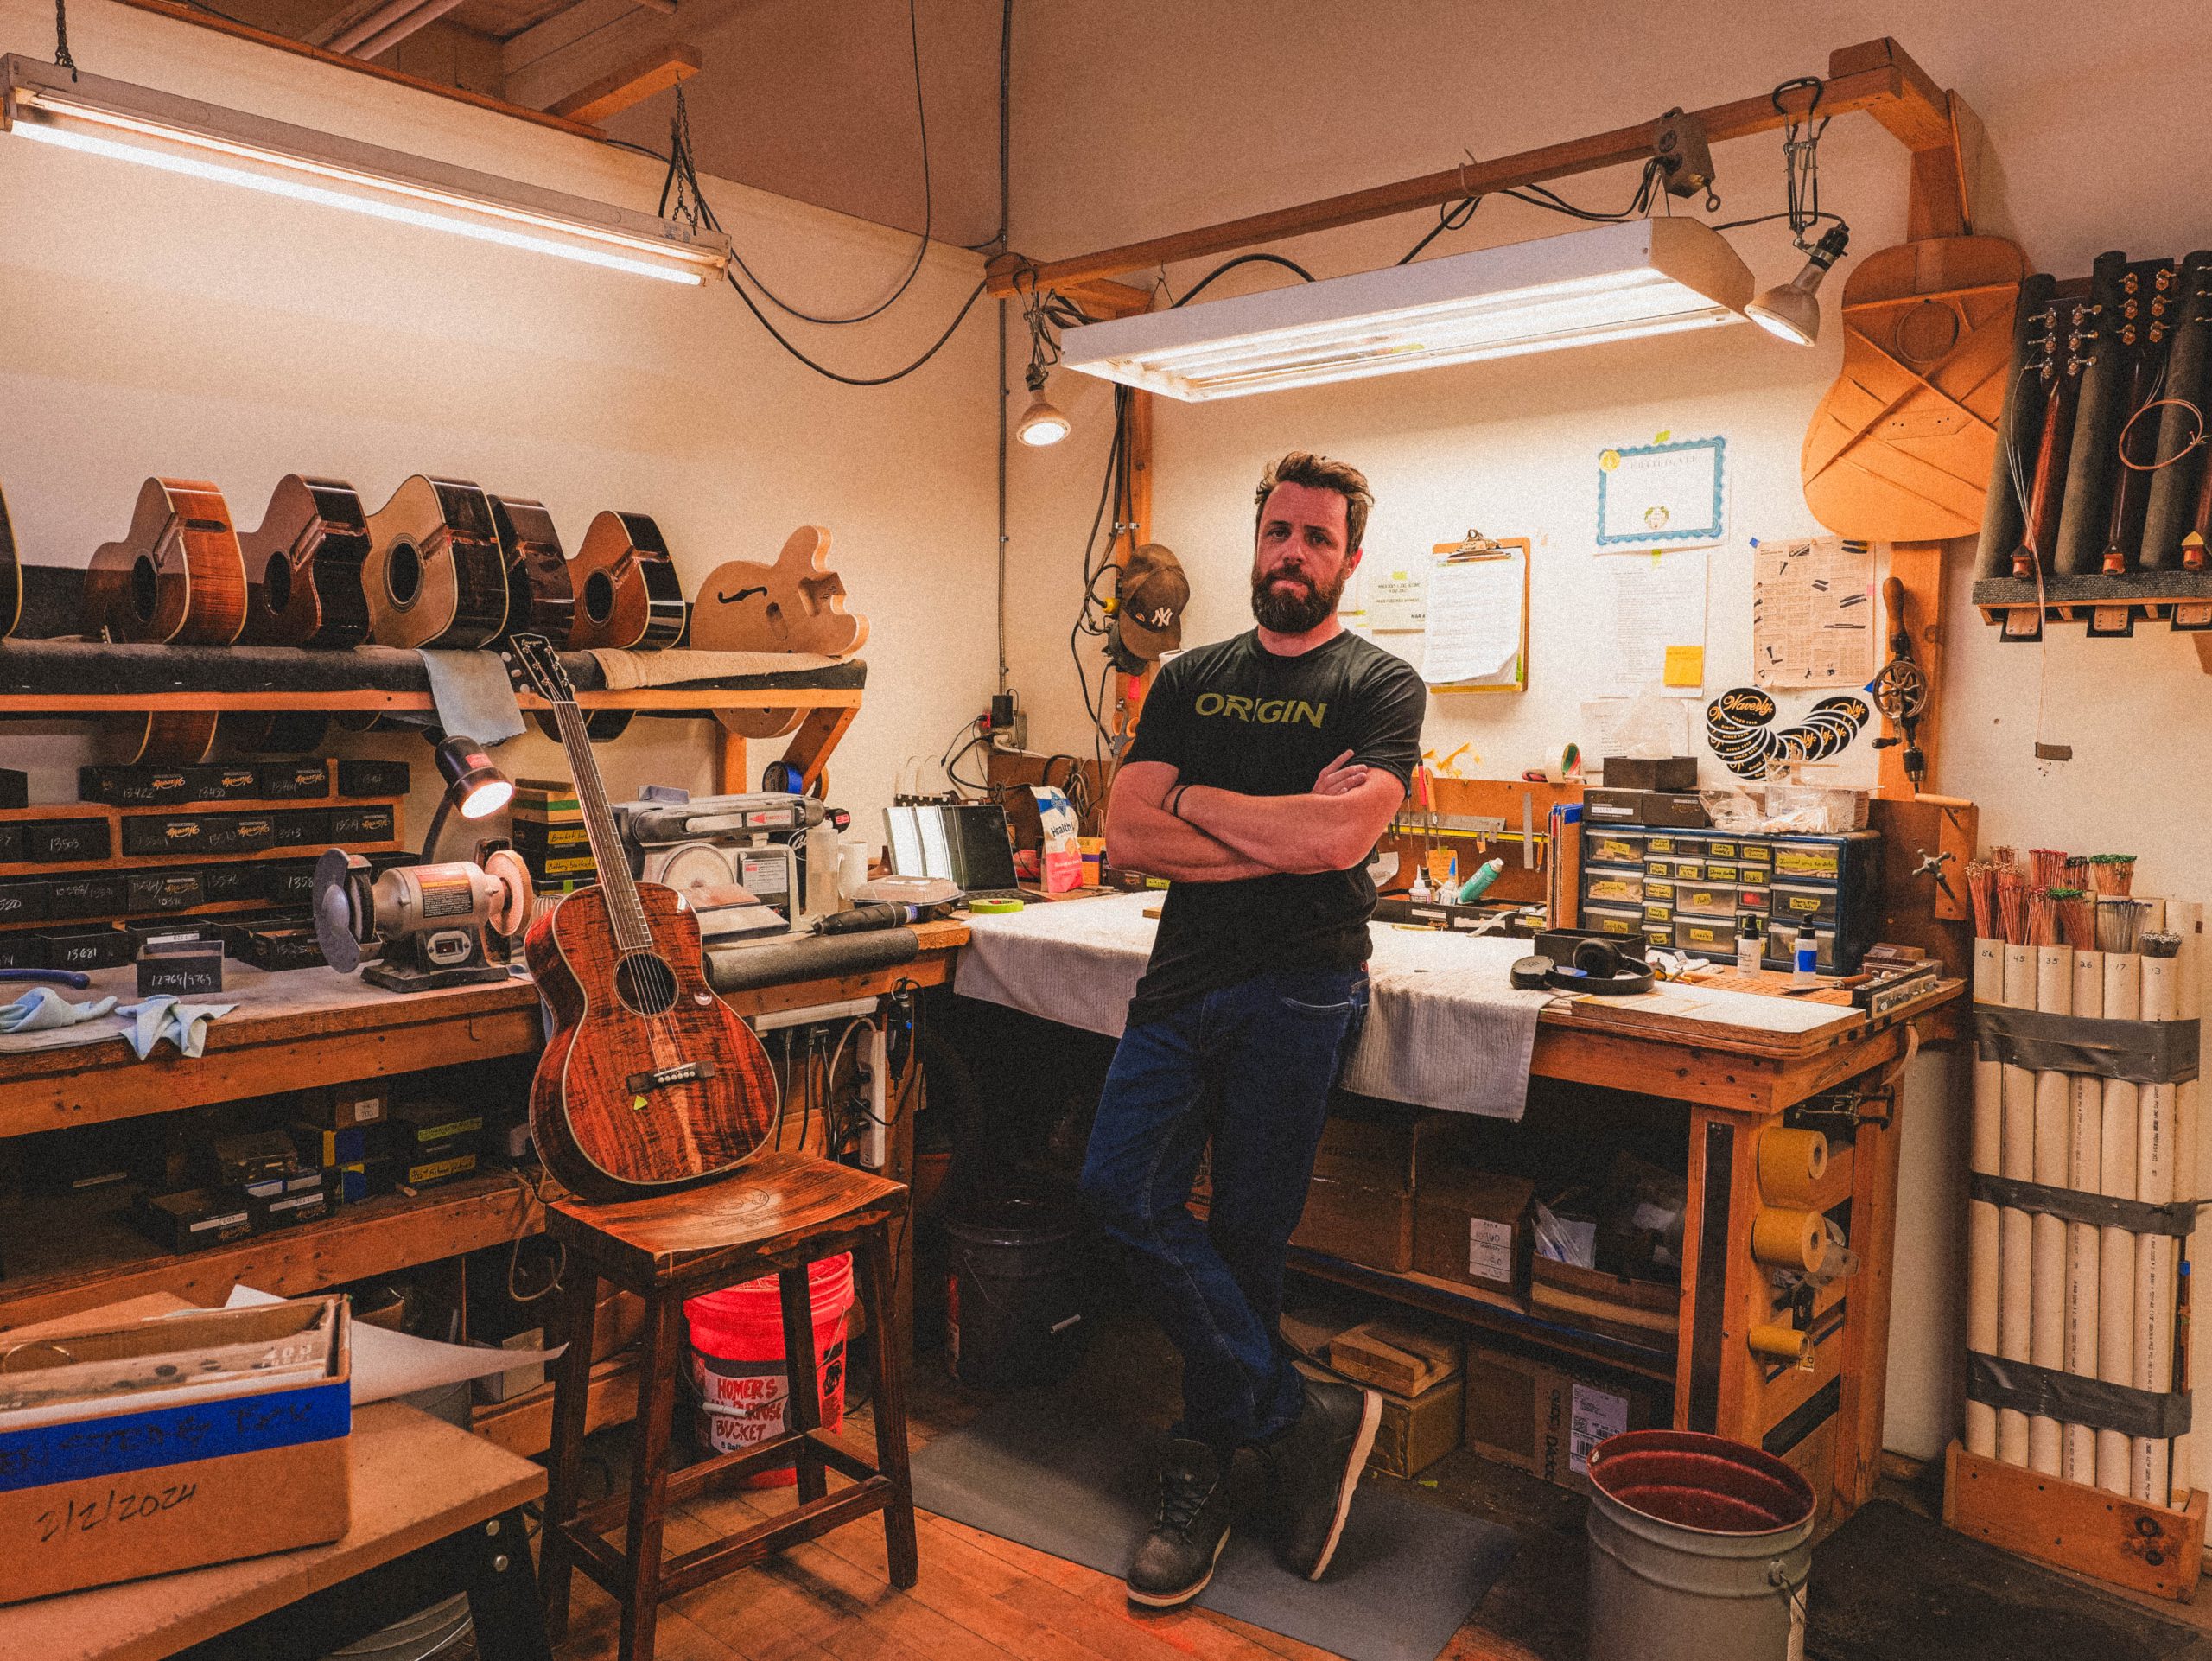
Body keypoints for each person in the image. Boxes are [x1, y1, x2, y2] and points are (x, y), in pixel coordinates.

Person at [1084, 451, 1427, 1606]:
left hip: (1303, 986)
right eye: (1279, 531)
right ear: (1258, 541)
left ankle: (1206, 1468)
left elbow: (1340, 844)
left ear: (1349, 560)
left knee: (1247, 1239)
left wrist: (1195, 803)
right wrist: (1274, 823)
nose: (1292, 552)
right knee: (1118, 1191)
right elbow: (1125, 832)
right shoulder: (1186, 676)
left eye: (1316, 538)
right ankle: (1299, 1412)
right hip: (1184, 982)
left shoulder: (1380, 684)